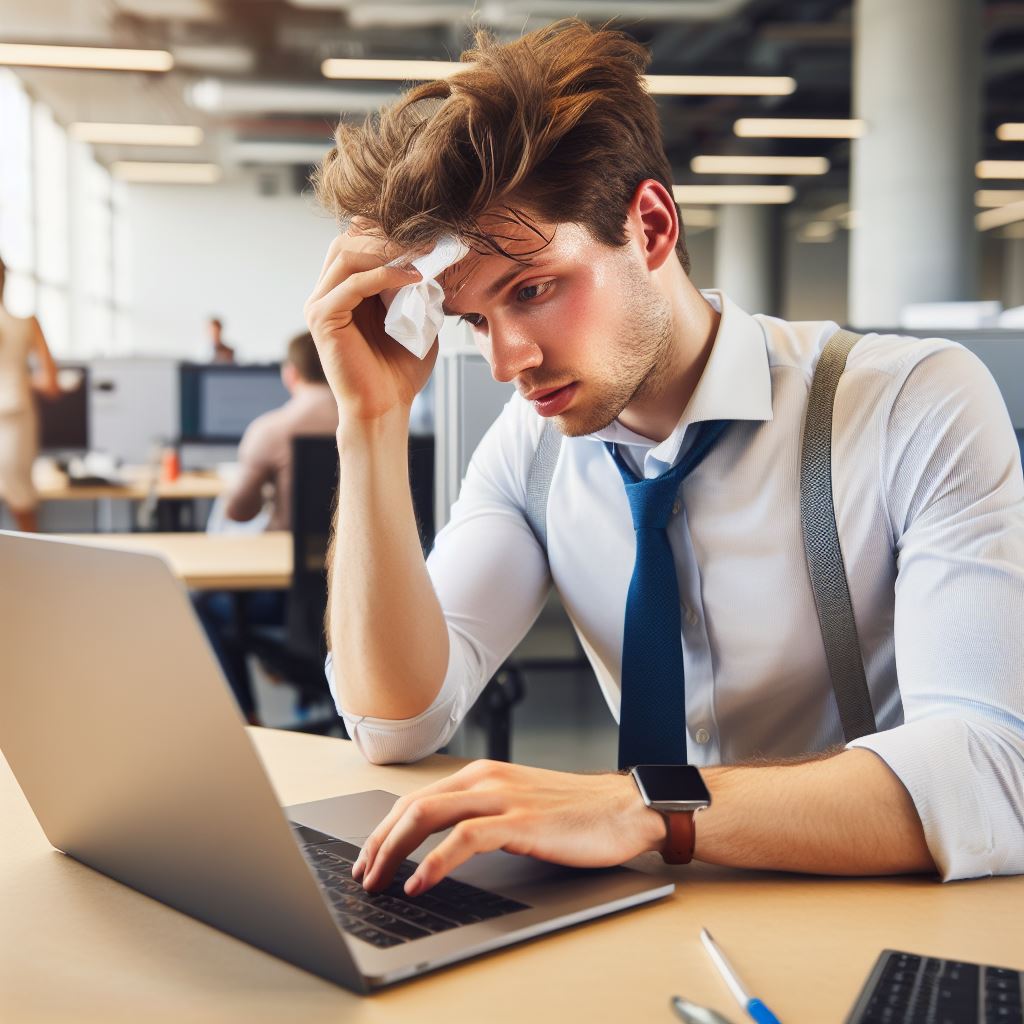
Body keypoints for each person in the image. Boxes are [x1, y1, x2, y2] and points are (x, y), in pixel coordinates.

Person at [304, 20, 1024, 899]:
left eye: (533, 290)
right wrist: (370, 421)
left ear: (648, 226)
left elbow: (993, 769)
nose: (506, 360)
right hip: (660, 926)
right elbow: (395, 719)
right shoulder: (531, 452)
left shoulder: (911, 403)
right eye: (476, 319)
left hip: (883, 921)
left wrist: (650, 808)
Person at [194, 330, 339, 723]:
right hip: (356, 591)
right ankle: (293, 671)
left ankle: (248, 716)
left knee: (204, 603)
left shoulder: (272, 429)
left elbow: (239, 512)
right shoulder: (371, 420)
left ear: (290, 374)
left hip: (288, 597)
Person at [0, 255, 60, 532]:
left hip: (13, 416)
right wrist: (23, 380)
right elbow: (51, 385)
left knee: (20, 499)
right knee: (22, 505)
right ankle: (28, 572)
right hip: (15, 416)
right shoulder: (26, 323)